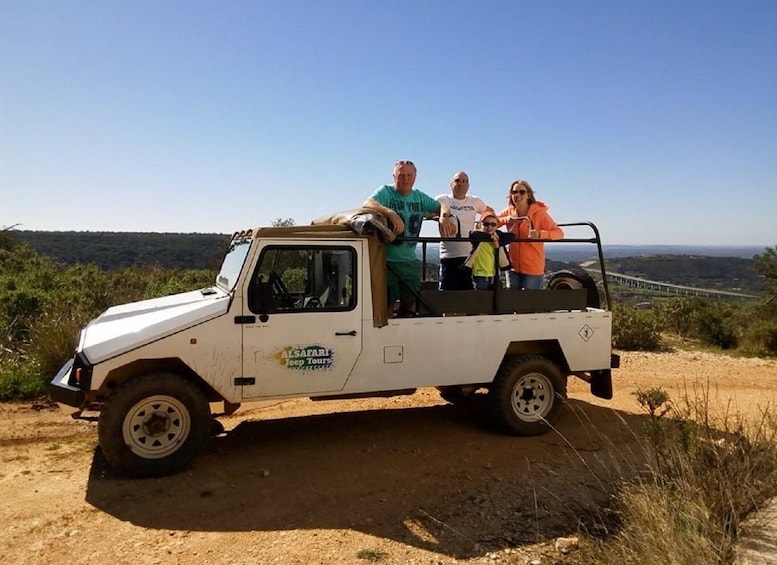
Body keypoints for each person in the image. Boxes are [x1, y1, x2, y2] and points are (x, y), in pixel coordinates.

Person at [363, 160, 456, 316]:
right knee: (386, 304)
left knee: (409, 304)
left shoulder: (418, 196)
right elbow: (367, 204)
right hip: (387, 260)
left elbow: (442, 206)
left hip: (409, 260)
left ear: (415, 177)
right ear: (394, 176)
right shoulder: (386, 192)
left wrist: (444, 217)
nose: (406, 179)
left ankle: (404, 338)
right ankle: (384, 338)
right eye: (401, 175)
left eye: (409, 175)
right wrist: (390, 213)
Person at [497, 179, 563, 290]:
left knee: (529, 304)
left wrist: (540, 234)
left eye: (521, 192)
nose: (517, 195)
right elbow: (491, 221)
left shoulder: (539, 214)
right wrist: (506, 220)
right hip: (513, 267)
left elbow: (559, 233)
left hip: (533, 269)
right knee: (512, 303)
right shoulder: (509, 211)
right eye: (514, 192)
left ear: (528, 194)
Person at [434, 171, 495, 290]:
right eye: (457, 181)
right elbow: (427, 213)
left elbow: (489, 211)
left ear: (468, 185)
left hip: (469, 257)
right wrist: (442, 219)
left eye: (464, 181)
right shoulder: (442, 200)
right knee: (446, 294)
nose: (461, 184)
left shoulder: (475, 201)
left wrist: (483, 225)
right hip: (448, 256)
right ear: (451, 184)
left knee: (468, 296)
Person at [465, 212, 515, 290]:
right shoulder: (478, 237)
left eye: (493, 224)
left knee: (493, 299)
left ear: (497, 226)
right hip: (479, 274)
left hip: (494, 274)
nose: (489, 227)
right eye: (486, 224)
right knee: (481, 298)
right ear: (480, 225)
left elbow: (512, 236)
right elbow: (473, 234)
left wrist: (497, 244)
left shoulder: (497, 237)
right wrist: (491, 238)